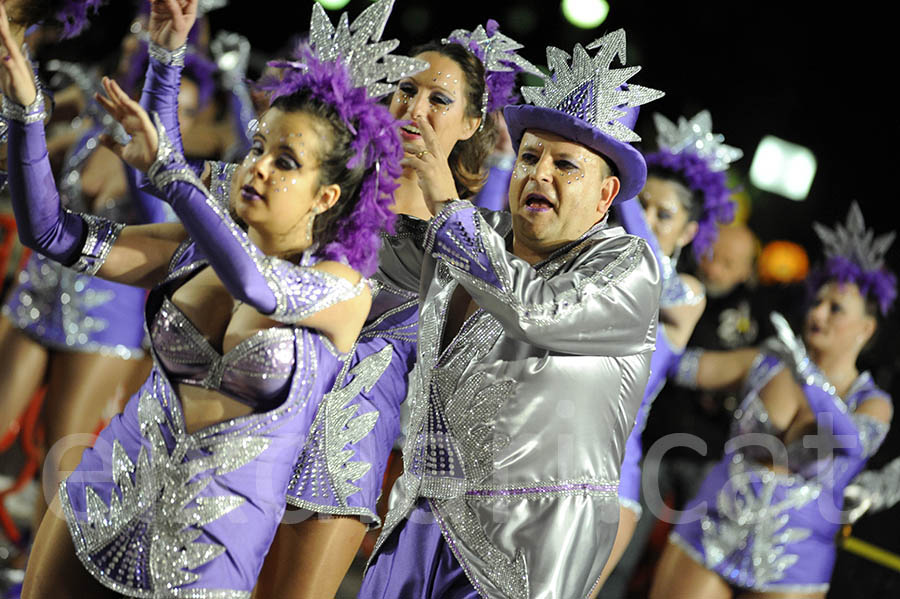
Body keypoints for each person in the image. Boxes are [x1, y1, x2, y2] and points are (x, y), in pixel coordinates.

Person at [3, 0, 406, 595]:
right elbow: (52, 233)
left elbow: (257, 286)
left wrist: (171, 170)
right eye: (257, 148)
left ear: (325, 199)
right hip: (106, 487)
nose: (258, 168)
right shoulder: (190, 248)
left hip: (212, 545)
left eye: (285, 162)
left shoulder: (343, 292)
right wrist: (25, 110)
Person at [360, 30, 664, 598]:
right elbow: (350, 249)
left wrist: (450, 206)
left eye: (566, 165)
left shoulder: (629, 266)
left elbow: (537, 311)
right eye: (529, 156)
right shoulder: (471, 236)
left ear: (605, 197)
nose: (538, 173)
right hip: (416, 529)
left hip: (524, 557)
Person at [255, 18, 538, 597]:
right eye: (407, 90)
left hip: (340, 460)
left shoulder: (484, 242)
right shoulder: (327, 198)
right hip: (259, 427)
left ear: (473, 123)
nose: (416, 109)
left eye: (440, 99)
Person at [649, 201, 894, 598]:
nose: (819, 314)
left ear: (866, 328)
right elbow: (676, 364)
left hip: (795, 562)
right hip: (710, 531)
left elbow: (851, 442)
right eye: (816, 302)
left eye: (836, 309)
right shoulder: (767, 362)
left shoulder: (873, 402)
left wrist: (810, 379)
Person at [594, 109, 740, 592]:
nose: (650, 220)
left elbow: (652, 267)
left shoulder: (688, 295)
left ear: (689, 233)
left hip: (609, 477)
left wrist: (624, 181)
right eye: (645, 206)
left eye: (665, 215)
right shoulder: (593, 268)